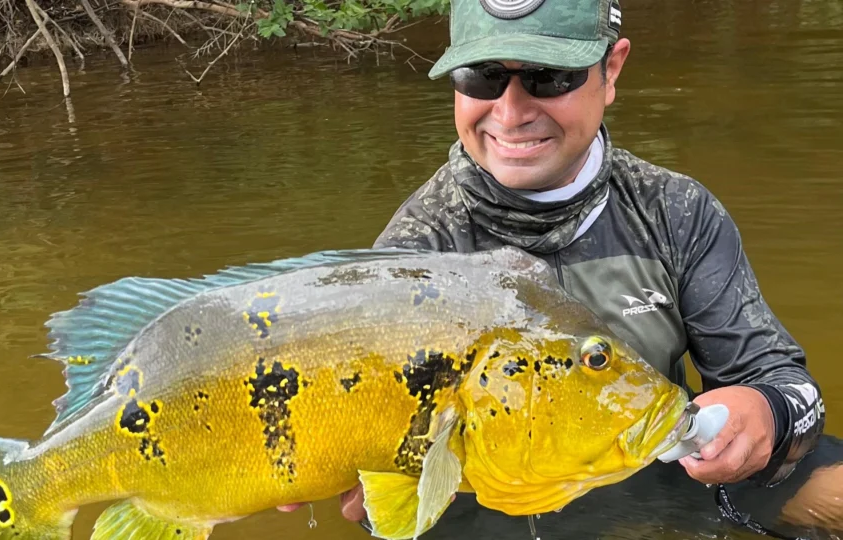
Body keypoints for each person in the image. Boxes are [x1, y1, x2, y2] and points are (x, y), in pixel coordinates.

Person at [282, 0, 827, 525]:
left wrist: (767, 413)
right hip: (483, 514)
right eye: (481, 76)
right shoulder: (415, 254)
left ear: (611, 70)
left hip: (658, 478)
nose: (512, 112)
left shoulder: (675, 212)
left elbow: (786, 384)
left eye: (549, 76)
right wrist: (370, 503)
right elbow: (380, 496)